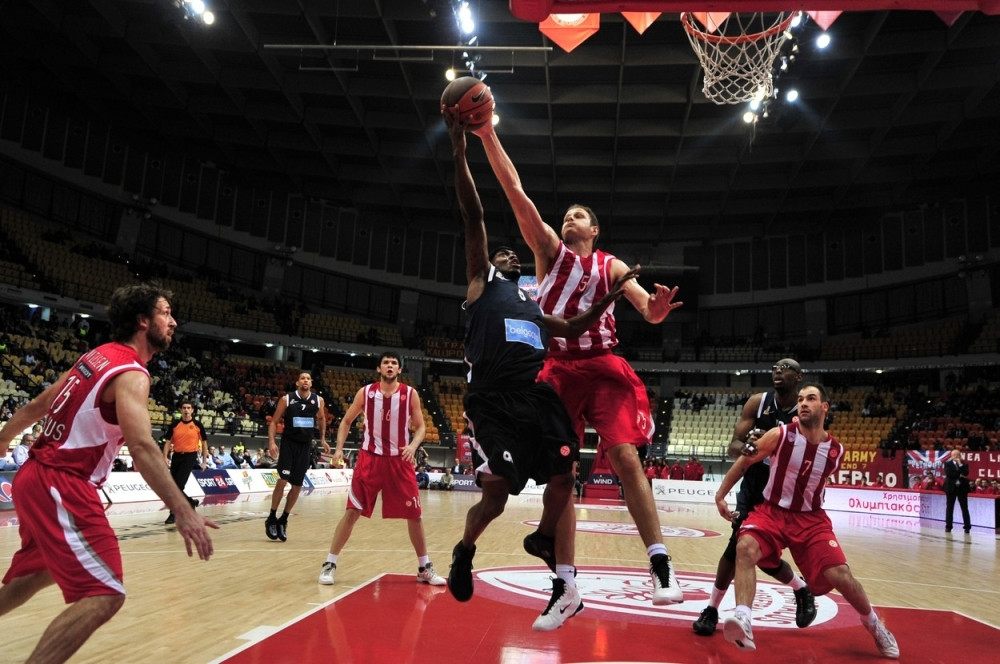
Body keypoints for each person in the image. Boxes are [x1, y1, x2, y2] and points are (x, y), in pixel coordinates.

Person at [474, 120, 685, 606]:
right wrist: (487, 134)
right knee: (561, 474)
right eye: (566, 215)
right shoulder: (548, 251)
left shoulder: (611, 264)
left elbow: (645, 309)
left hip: (604, 367)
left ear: (594, 230)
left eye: (579, 216)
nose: (569, 219)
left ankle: (660, 563)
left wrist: (655, 312)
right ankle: (565, 583)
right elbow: (514, 189)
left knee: (626, 456)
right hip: (557, 371)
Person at [445, 112, 639, 630]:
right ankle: (465, 550)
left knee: (565, 469)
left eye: (514, 254)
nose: (510, 254)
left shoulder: (533, 305)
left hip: (534, 395)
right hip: (492, 400)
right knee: (497, 497)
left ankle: (549, 549)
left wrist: (611, 298)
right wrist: (461, 153)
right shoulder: (482, 283)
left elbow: (573, 324)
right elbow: (473, 215)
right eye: (503, 253)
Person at [0, 283, 216, 664]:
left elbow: (39, 404)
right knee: (105, 593)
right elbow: (143, 448)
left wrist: (4, 437)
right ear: (143, 321)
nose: (173, 322)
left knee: (37, 572)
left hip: (33, 477)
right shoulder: (132, 374)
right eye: (165, 313)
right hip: (63, 483)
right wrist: (183, 510)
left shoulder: (96, 357)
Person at [714, 384, 898, 658]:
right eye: (800, 399)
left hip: (811, 520)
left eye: (810, 399)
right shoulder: (780, 435)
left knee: (841, 576)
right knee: (745, 547)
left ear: (824, 407)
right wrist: (720, 495)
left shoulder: (835, 451)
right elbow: (744, 462)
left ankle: (874, 624)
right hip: (772, 512)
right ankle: (743, 617)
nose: (803, 403)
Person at [693, 359, 816, 637]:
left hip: (785, 494)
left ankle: (801, 588)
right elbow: (733, 447)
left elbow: (809, 453)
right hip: (753, 489)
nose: (777, 371)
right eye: (775, 367)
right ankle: (712, 609)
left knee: (762, 557)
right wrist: (748, 446)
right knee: (738, 547)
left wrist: (771, 445)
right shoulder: (758, 403)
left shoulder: (806, 410)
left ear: (798, 377)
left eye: (785, 367)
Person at [318, 352, 445, 588]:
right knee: (352, 511)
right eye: (386, 362)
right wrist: (339, 449)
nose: (390, 366)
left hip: (400, 460)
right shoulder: (366, 392)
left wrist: (413, 446)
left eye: (394, 363)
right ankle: (330, 563)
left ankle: (424, 568)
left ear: (399, 370)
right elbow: (346, 421)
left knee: (415, 515)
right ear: (379, 368)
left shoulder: (410, 394)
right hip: (370, 459)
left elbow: (421, 427)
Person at [266, 371, 329, 541]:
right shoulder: (287, 399)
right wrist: (271, 441)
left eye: (308, 378)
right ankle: (271, 517)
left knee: (297, 486)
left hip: (305, 446)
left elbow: (321, 418)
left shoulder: (318, 400)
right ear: (297, 383)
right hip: (288, 444)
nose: (305, 380)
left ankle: (283, 519)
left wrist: (323, 439)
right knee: (282, 480)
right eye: (303, 378)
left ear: (311, 383)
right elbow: (274, 421)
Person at [159, 400, 208, 525]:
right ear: (181, 410)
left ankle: (174, 513)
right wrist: (165, 457)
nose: (186, 410)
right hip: (176, 456)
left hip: (190, 456)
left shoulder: (197, 425)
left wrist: (204, 461)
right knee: (172, 487)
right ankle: (190, 502)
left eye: (188, 408)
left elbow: (204, 444)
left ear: (192, 410)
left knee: (178, 485)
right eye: (184, 408)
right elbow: (168, 442)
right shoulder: (175, 424)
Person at [943, 449, 971, 534]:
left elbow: (965, 473)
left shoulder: (964, 464)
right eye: (954, 455)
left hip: (962, 488)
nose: (956, 456)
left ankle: (967, 527)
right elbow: (949, 474)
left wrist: (960, 464)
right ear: (951, 456)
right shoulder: (947, 464)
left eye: (958, 454)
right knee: (949, 508)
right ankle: (948, 526)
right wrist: (960, 474)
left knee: (964, 508)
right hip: (951, 488)